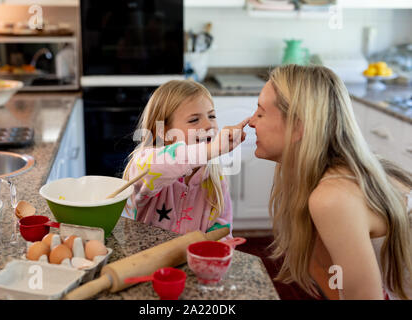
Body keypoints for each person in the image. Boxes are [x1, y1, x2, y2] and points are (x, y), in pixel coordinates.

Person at [248, 64, 412, 300]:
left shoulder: (333, 196)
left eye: (260, 113)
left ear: (297, 127)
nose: (251, 121)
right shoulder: (332, 177)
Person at [123, 80, 248, 237]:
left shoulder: (216, 180)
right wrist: (212, 149)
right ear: (163, 131)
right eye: (194, 120)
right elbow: (159, 165)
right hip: (147, 258)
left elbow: (221, 230)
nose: (209, 125)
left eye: (212, 116)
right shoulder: (146, 162)